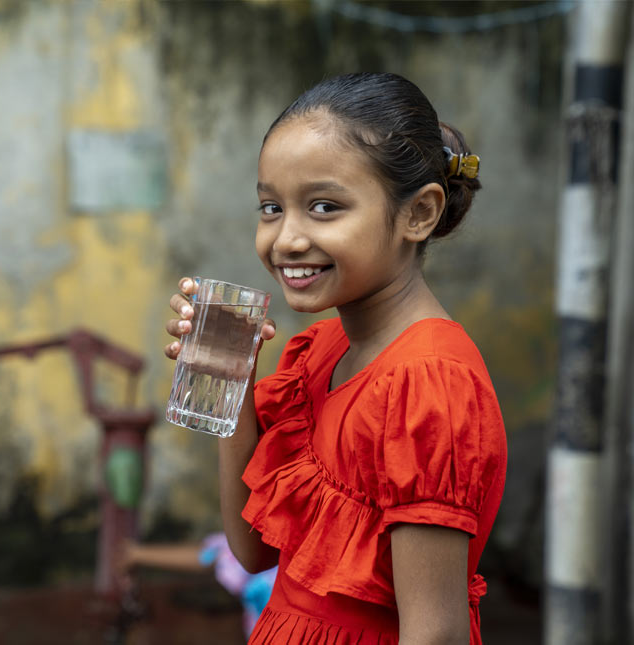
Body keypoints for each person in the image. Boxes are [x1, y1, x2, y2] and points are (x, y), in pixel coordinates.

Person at [164, 73, 507, 644]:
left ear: (418, 213)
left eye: (324, 206)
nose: (286, 239)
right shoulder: (321, 351)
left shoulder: (427, 386)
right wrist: (231, 381)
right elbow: (252, 552)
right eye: (271, 207)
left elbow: (436, 634)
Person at [121, 533, 277, 639]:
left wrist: (136, 554)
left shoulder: (247, 578)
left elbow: (210, 557)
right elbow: (210, 557)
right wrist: (136, 554)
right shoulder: (259, 627)